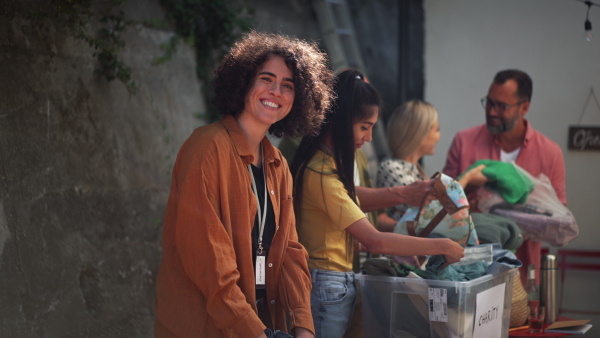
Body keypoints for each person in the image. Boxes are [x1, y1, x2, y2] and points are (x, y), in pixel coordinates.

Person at [153, 31, 335, 338]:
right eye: (266, 78)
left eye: (288, 85)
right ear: (244, 82)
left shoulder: (277, 164)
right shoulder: (206, 148)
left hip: (258, 323)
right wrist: (255, 331)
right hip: (205, 328)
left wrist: (303, 326)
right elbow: (208, 262)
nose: (276, 91)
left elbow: (290, 251)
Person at [291, 69, 465, 338]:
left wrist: (404, 194)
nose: (369, 137)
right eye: (365, 127)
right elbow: (375, 241)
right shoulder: (321, 172)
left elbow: (354, 196)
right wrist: (441, 246)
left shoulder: (324, 165)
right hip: (327, 283)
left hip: (334, 282)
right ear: (341, 121)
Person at [442, 69, 567, 286]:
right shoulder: (464, 142)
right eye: (489, 103)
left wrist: (519, 219)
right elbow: (441, 203)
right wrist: (469, 190)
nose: (491, 111)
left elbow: (557, 220)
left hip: (523, 275)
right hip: (466, 274)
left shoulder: (550, 152)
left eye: (502, 106)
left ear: (524, 107)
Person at [376, 100, 487, 232]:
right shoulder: (391, 169)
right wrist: (468, 177)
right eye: (437, 129)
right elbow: (433, 214)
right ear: (420, 134)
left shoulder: (416, 170)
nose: (438, 136)